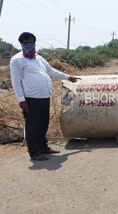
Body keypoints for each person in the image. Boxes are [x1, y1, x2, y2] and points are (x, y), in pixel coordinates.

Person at [10, 32, 80, 161]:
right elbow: (16, 81)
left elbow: (51, 71)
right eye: (26, 43)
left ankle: (43, 148)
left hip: (44, 96)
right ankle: (35, 152)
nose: (29, 45)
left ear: (34, 43)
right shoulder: (17, 60)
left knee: (43, 123)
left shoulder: (39, 58)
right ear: (21, 44)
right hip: (30, 98)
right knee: (33, 126)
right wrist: (21, 100)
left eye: (31, 42)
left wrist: (68, 77)